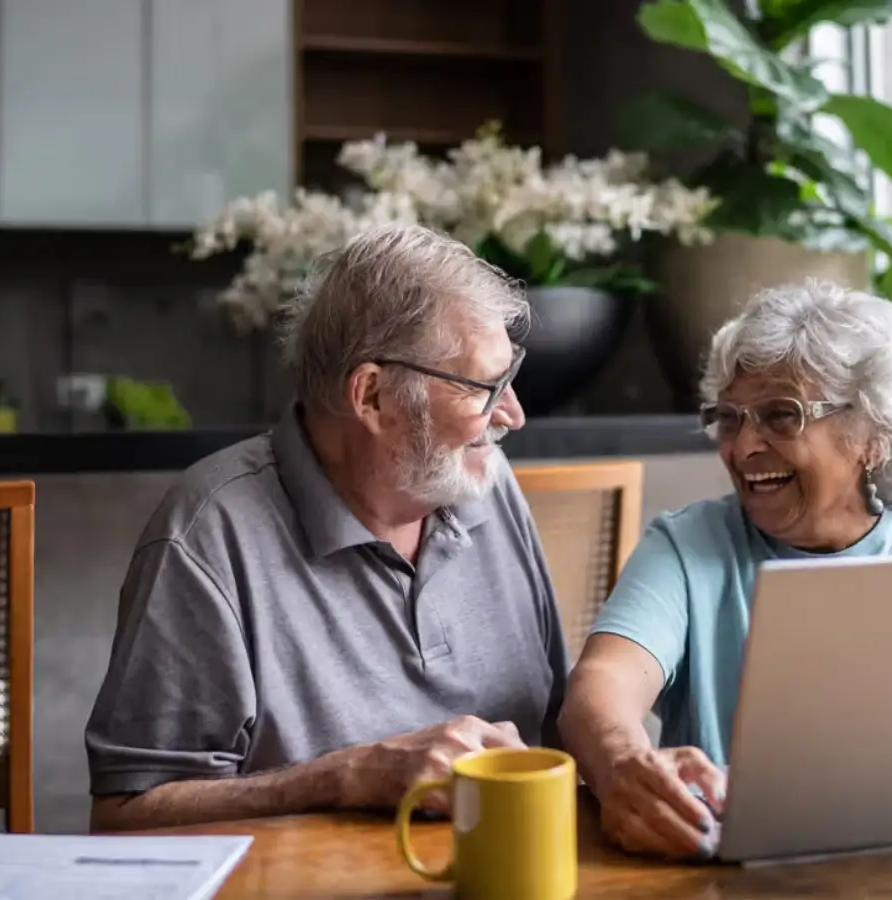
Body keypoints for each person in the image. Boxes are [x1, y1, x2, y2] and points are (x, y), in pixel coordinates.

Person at [85, 223, 569, 831]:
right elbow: (124, 814)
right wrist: (346, 776)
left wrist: (626, 755)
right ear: (372, 397)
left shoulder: (489, 484)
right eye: (485, 387)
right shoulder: (209, 533)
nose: (513, 415)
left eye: (511, 374)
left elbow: (558, 725)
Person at [558, 280, 892, 860]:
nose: (744, 447)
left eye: (780, 416)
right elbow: (600, 689)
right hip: (736, 868)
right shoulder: (689, 547)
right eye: (729, 419)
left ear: (872, 435)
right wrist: (623, 763)